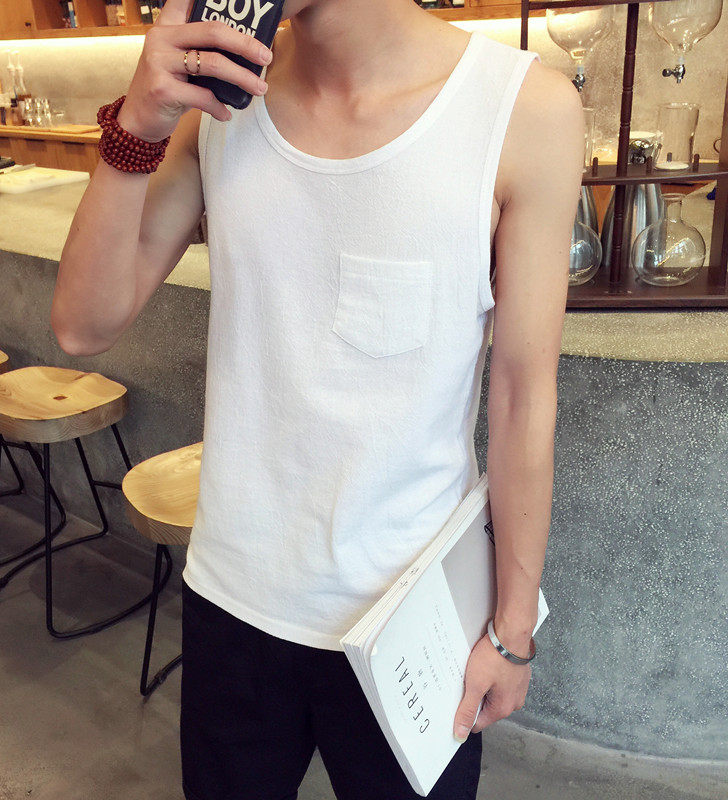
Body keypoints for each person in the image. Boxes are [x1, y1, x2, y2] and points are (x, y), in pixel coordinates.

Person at [51, 0, 585, 797]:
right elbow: (82, 325)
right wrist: (139, 123)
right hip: (234, 598)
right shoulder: (218, 103)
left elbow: (521, 396)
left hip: (410, 618)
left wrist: (511, 630)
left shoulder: (523, 109)